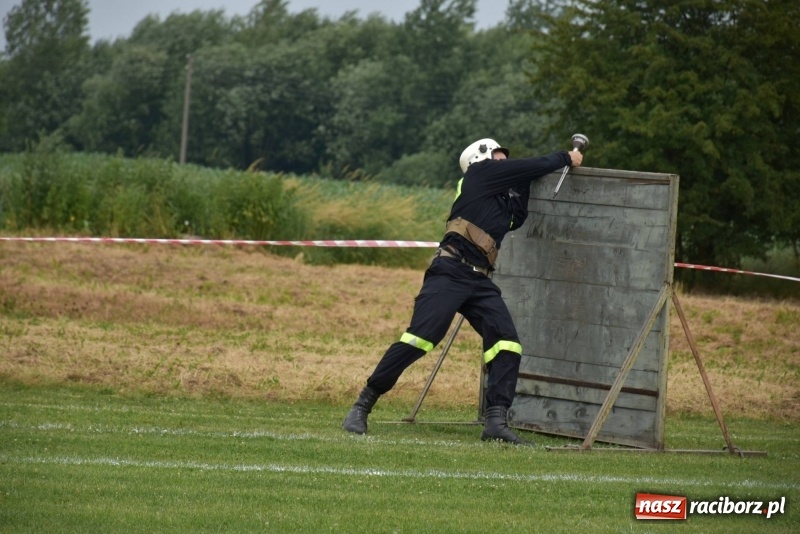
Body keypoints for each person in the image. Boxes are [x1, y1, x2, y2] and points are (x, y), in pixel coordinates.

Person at [342, 138, 583, 445]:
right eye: (499, 154)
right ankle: (362, 404)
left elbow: (517, 218)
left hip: (479, 280)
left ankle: (496, 421)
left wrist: (526, 181)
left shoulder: (497, 200)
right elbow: (528, 166)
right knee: (421, 338)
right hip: (450, 271)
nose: (504, 160)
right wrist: (567, 156)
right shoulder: (479, 175)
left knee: (507, 343)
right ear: (481, 157)